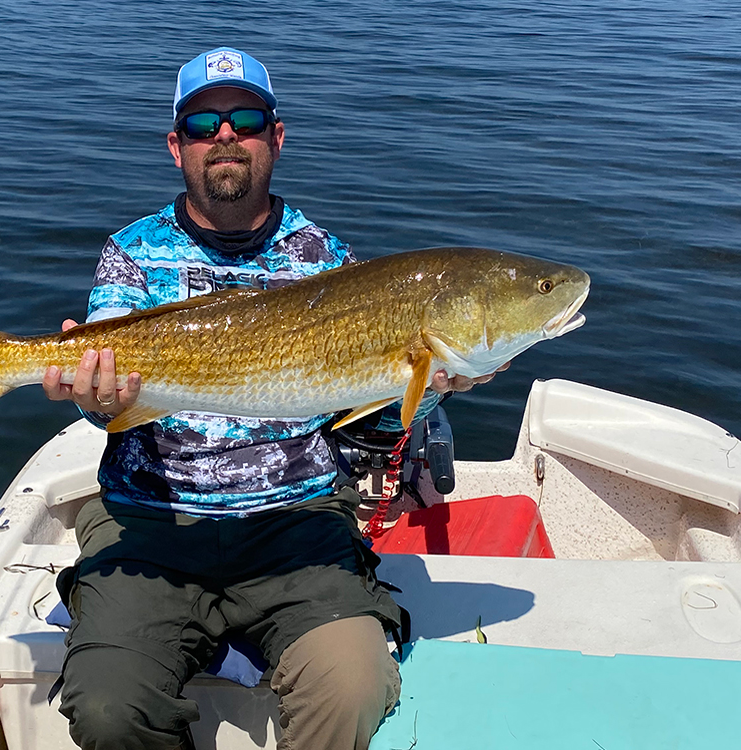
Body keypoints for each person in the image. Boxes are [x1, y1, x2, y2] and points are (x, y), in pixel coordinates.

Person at [43, 47, 502, 750]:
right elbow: (108, 393)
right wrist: (94, 400)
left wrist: (435, 390)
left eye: (246, 118)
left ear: (276, 138)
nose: (225, 135)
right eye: (203, 123)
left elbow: (372, 419)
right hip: (151, 521)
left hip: (299, 521)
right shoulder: (130, 252)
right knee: (108, 708)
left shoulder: (327, 258)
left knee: (354, 688)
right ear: (177, 147)